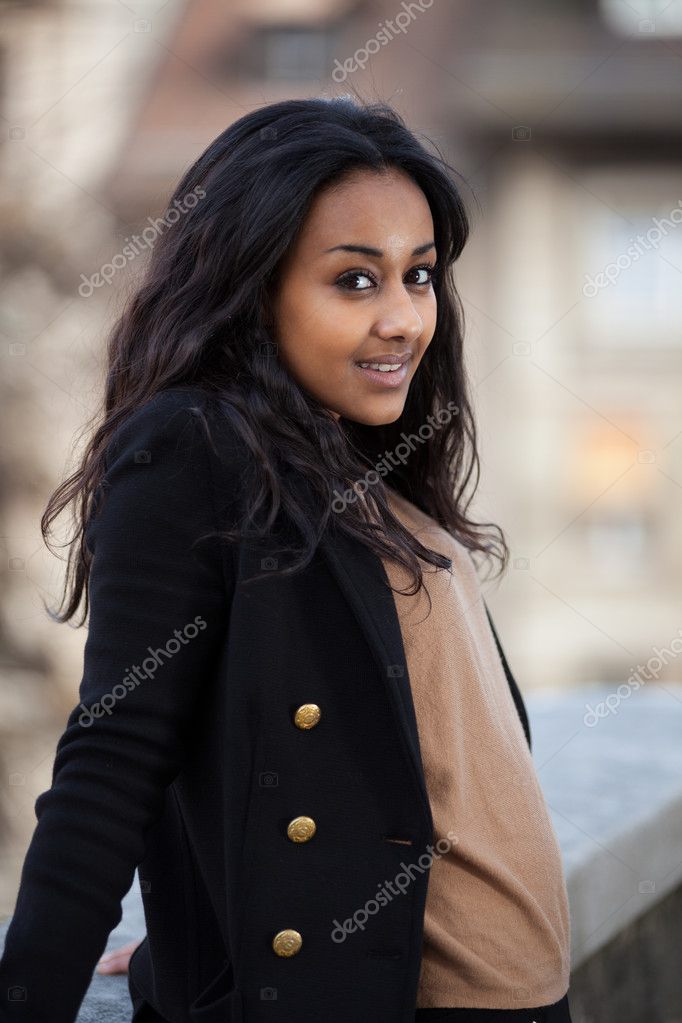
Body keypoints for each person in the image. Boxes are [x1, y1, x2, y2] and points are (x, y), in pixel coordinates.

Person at [0, 95, 573, 1022]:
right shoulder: (191, 447)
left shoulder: (356, 454)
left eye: (418, 276)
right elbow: (117, 755)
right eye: (355, 281)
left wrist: (219, 916)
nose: (403, 319)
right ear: (251, 285)